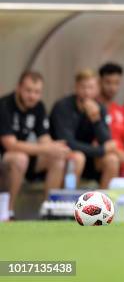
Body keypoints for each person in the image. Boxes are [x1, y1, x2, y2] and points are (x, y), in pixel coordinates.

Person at [0, 71, 84, 219]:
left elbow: (44, 139)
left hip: (26, 158)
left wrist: (58, 149)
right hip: (5, 160)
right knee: (19, 158)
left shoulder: (38, 107)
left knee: (57, 158)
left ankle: (50, 211)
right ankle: (7, 212)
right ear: (18, 88)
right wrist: (46, 148)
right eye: (28, 91)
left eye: (37, 92)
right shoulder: (4, 105)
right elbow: (10, 145)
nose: (32, 96)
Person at [50, 69, 117, 188]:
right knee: (78, 157)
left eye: (90, 87)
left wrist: (96, 120)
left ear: (97, 89)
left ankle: (103, 204)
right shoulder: (63, 106)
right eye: (83, 87)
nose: (86, 92)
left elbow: (107, 142)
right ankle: (68, 203)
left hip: (89, 157)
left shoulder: (99, 108)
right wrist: (101, 150)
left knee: (112, 160)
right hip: (64, 155)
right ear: (76, 87)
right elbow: (68, 143)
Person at [98, 62, 124, 177]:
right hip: (101, 155)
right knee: (113, 160)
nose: (112, 87)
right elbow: (94, 142)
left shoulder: (122, 112)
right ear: (99, 82)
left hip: (123, 156)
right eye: (108, 82)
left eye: (116, 83)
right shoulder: (93, 108)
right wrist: (118, 153)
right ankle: (105, 195)